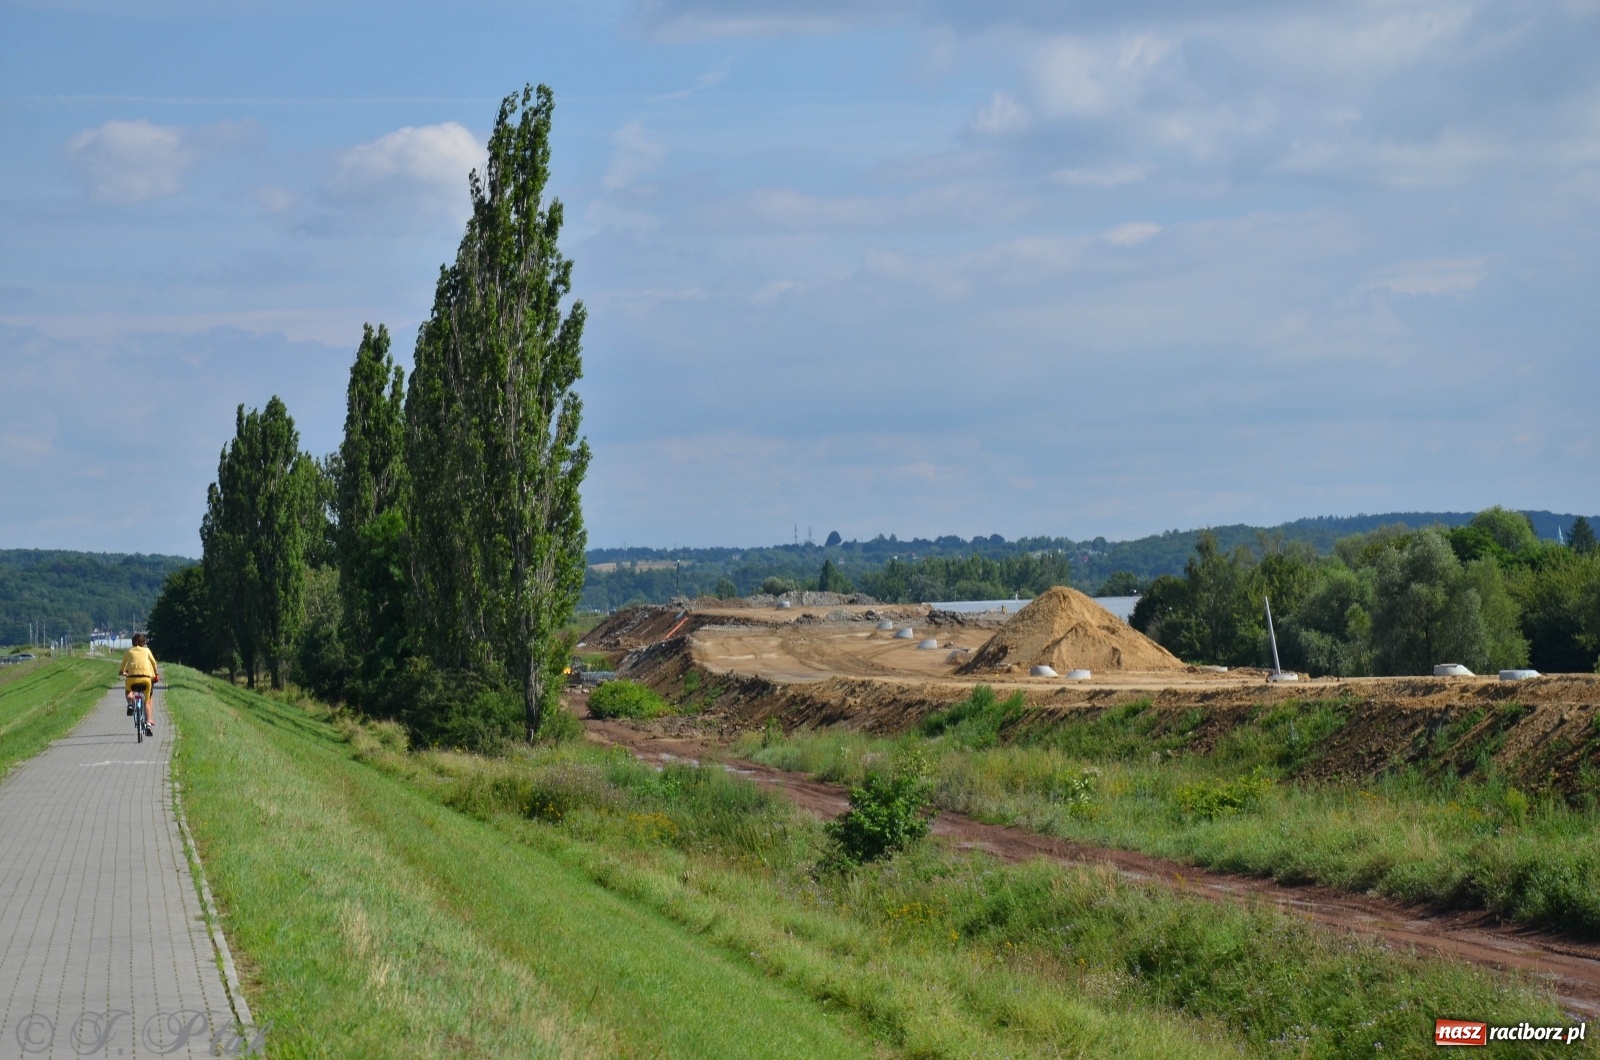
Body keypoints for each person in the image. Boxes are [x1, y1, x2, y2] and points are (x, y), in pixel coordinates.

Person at [120, 633, 160, 737]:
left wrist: (122, 672)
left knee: (128, 692)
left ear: (133, 642)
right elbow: (154, 663)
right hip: (146, 679)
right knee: (147, 702)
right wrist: (156, 674)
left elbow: (123, 665)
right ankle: (148, 725)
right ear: (144, 643)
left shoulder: (128, 651)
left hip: (131, 679)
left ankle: (130, 704)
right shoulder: (147, 651)